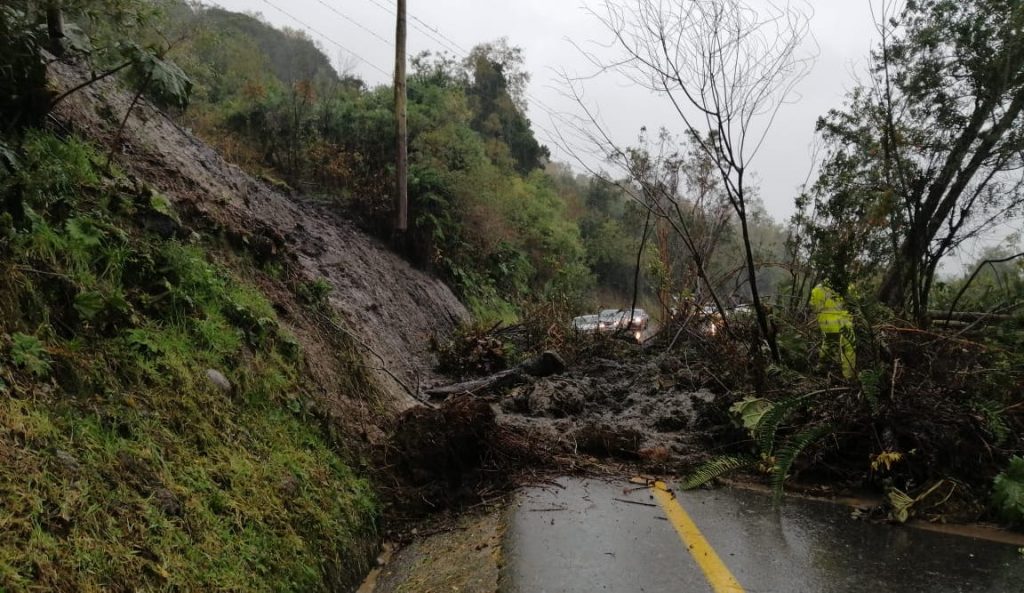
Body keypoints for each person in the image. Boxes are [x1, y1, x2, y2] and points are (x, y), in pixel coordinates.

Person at [809, 283, 855, 379]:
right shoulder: (847, 285)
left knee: (828, 344)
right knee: (848, 348)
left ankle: (821, 368)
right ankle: (848, 376)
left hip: (826, 324)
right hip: (843, 323)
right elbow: (855, 303)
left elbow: (813, 305)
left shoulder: (818, 288)